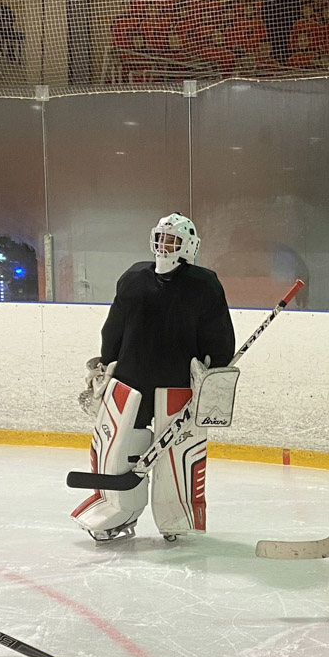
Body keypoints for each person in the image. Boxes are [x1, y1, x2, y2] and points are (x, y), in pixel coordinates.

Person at [71, 214, 236, 543]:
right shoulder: (133, 278)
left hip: (177, 386)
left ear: (188, 246)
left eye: (172, 240)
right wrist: (105, 363)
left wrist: (214, 370)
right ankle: (116, 510)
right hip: (131, 381)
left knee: (178, 454)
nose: (164, 246)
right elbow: (114, 326)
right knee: (117, 448)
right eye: (160, 238)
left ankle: (176, 516)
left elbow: (220, 337)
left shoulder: (204, 284)